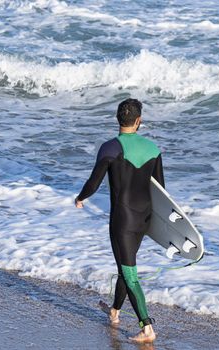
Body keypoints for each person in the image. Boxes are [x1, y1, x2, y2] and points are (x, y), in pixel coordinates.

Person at [75, 98, 164, 343]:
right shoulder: (153, 149)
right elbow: (161, 192)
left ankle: (147, 328)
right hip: (143, 220)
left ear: (118, 119)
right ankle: (114, 312)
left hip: (122, 222)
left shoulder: (110, 148)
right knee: (125, 269)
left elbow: (93, 182)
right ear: (139, 121)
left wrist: (80, 198)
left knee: (129, 273)